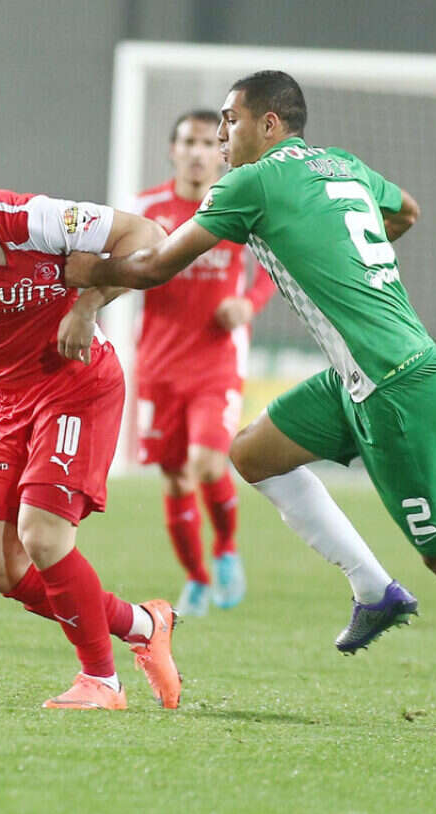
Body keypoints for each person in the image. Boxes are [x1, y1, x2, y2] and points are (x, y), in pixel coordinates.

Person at [66, 70, 436, 729]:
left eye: (231, 119)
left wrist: (84, 271)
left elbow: (154, 266)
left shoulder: (251, 182)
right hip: (361, 377)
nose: (221, 134)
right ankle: (373, 589)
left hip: (397, 387)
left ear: (269, 124)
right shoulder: (341, 164)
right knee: (254, 453)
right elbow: (406, 212)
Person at [0, 139, 181, 711]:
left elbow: (150, 236)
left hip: (77, 384)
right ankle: (144, 625)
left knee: (43, 536)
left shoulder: (36, 221)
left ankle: (102, 681)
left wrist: (87, 305)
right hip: (13, 399)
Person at [134, 109, 275, 617]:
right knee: (175, 478)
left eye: (206, 143)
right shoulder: (145, 210)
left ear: (221, 153)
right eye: (188, 142)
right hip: (158, 364)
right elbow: (116, 264)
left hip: (216, 360)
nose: (197, 152)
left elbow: (272, 268)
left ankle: (226, 549)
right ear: (172, 151)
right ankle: (195, 579)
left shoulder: (237, 204)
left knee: (207, 463)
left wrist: (248, 305)